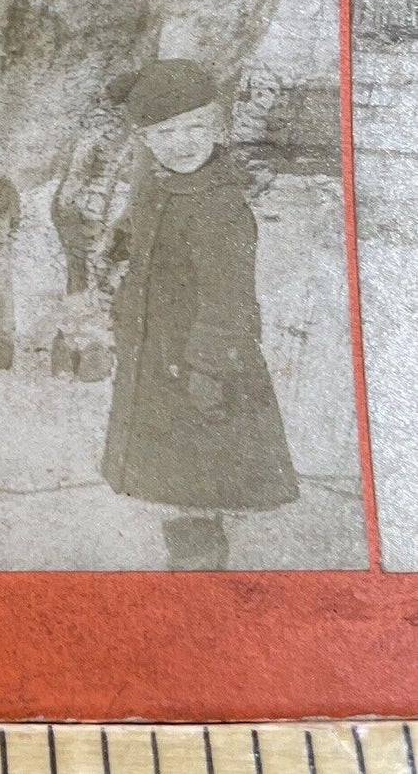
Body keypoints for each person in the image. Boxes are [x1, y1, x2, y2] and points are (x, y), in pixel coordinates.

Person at [101, 58, 298, 571]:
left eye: (196, 128)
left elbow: (228, 298)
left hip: (204, 360)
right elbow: (144, 233)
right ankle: (187, 541)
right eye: (166, 132)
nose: (184, 143)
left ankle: (200, 571)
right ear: (144, 140)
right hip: (161, 350)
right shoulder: (158, 184)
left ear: (217, 128)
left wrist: (211, 367)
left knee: (203, 469)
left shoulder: (219, 205)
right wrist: (122, 243)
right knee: (174, 464)